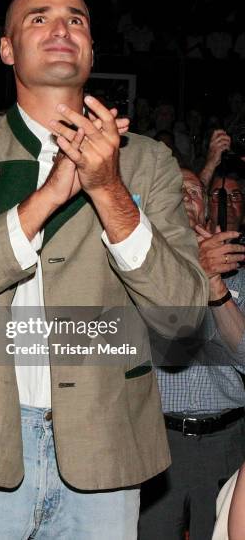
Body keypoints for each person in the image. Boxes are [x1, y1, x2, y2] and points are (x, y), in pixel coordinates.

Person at [0, 0, 208, 540]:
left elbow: (183, 315)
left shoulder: (149, 162)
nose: (62, 27)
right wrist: (44, 200)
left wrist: (110, 190)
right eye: (39, 18)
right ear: (7, 48)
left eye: (77, 19)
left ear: (91, 49)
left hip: (105, 447)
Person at [139, 168, 245, 540]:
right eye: (174, 189)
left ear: (206, 209)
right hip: (157, 441)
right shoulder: (136, 268)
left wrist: (216, 286)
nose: (186, 196)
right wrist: (196, 272)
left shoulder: (237, 269)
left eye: (196, 190)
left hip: (226, 441)